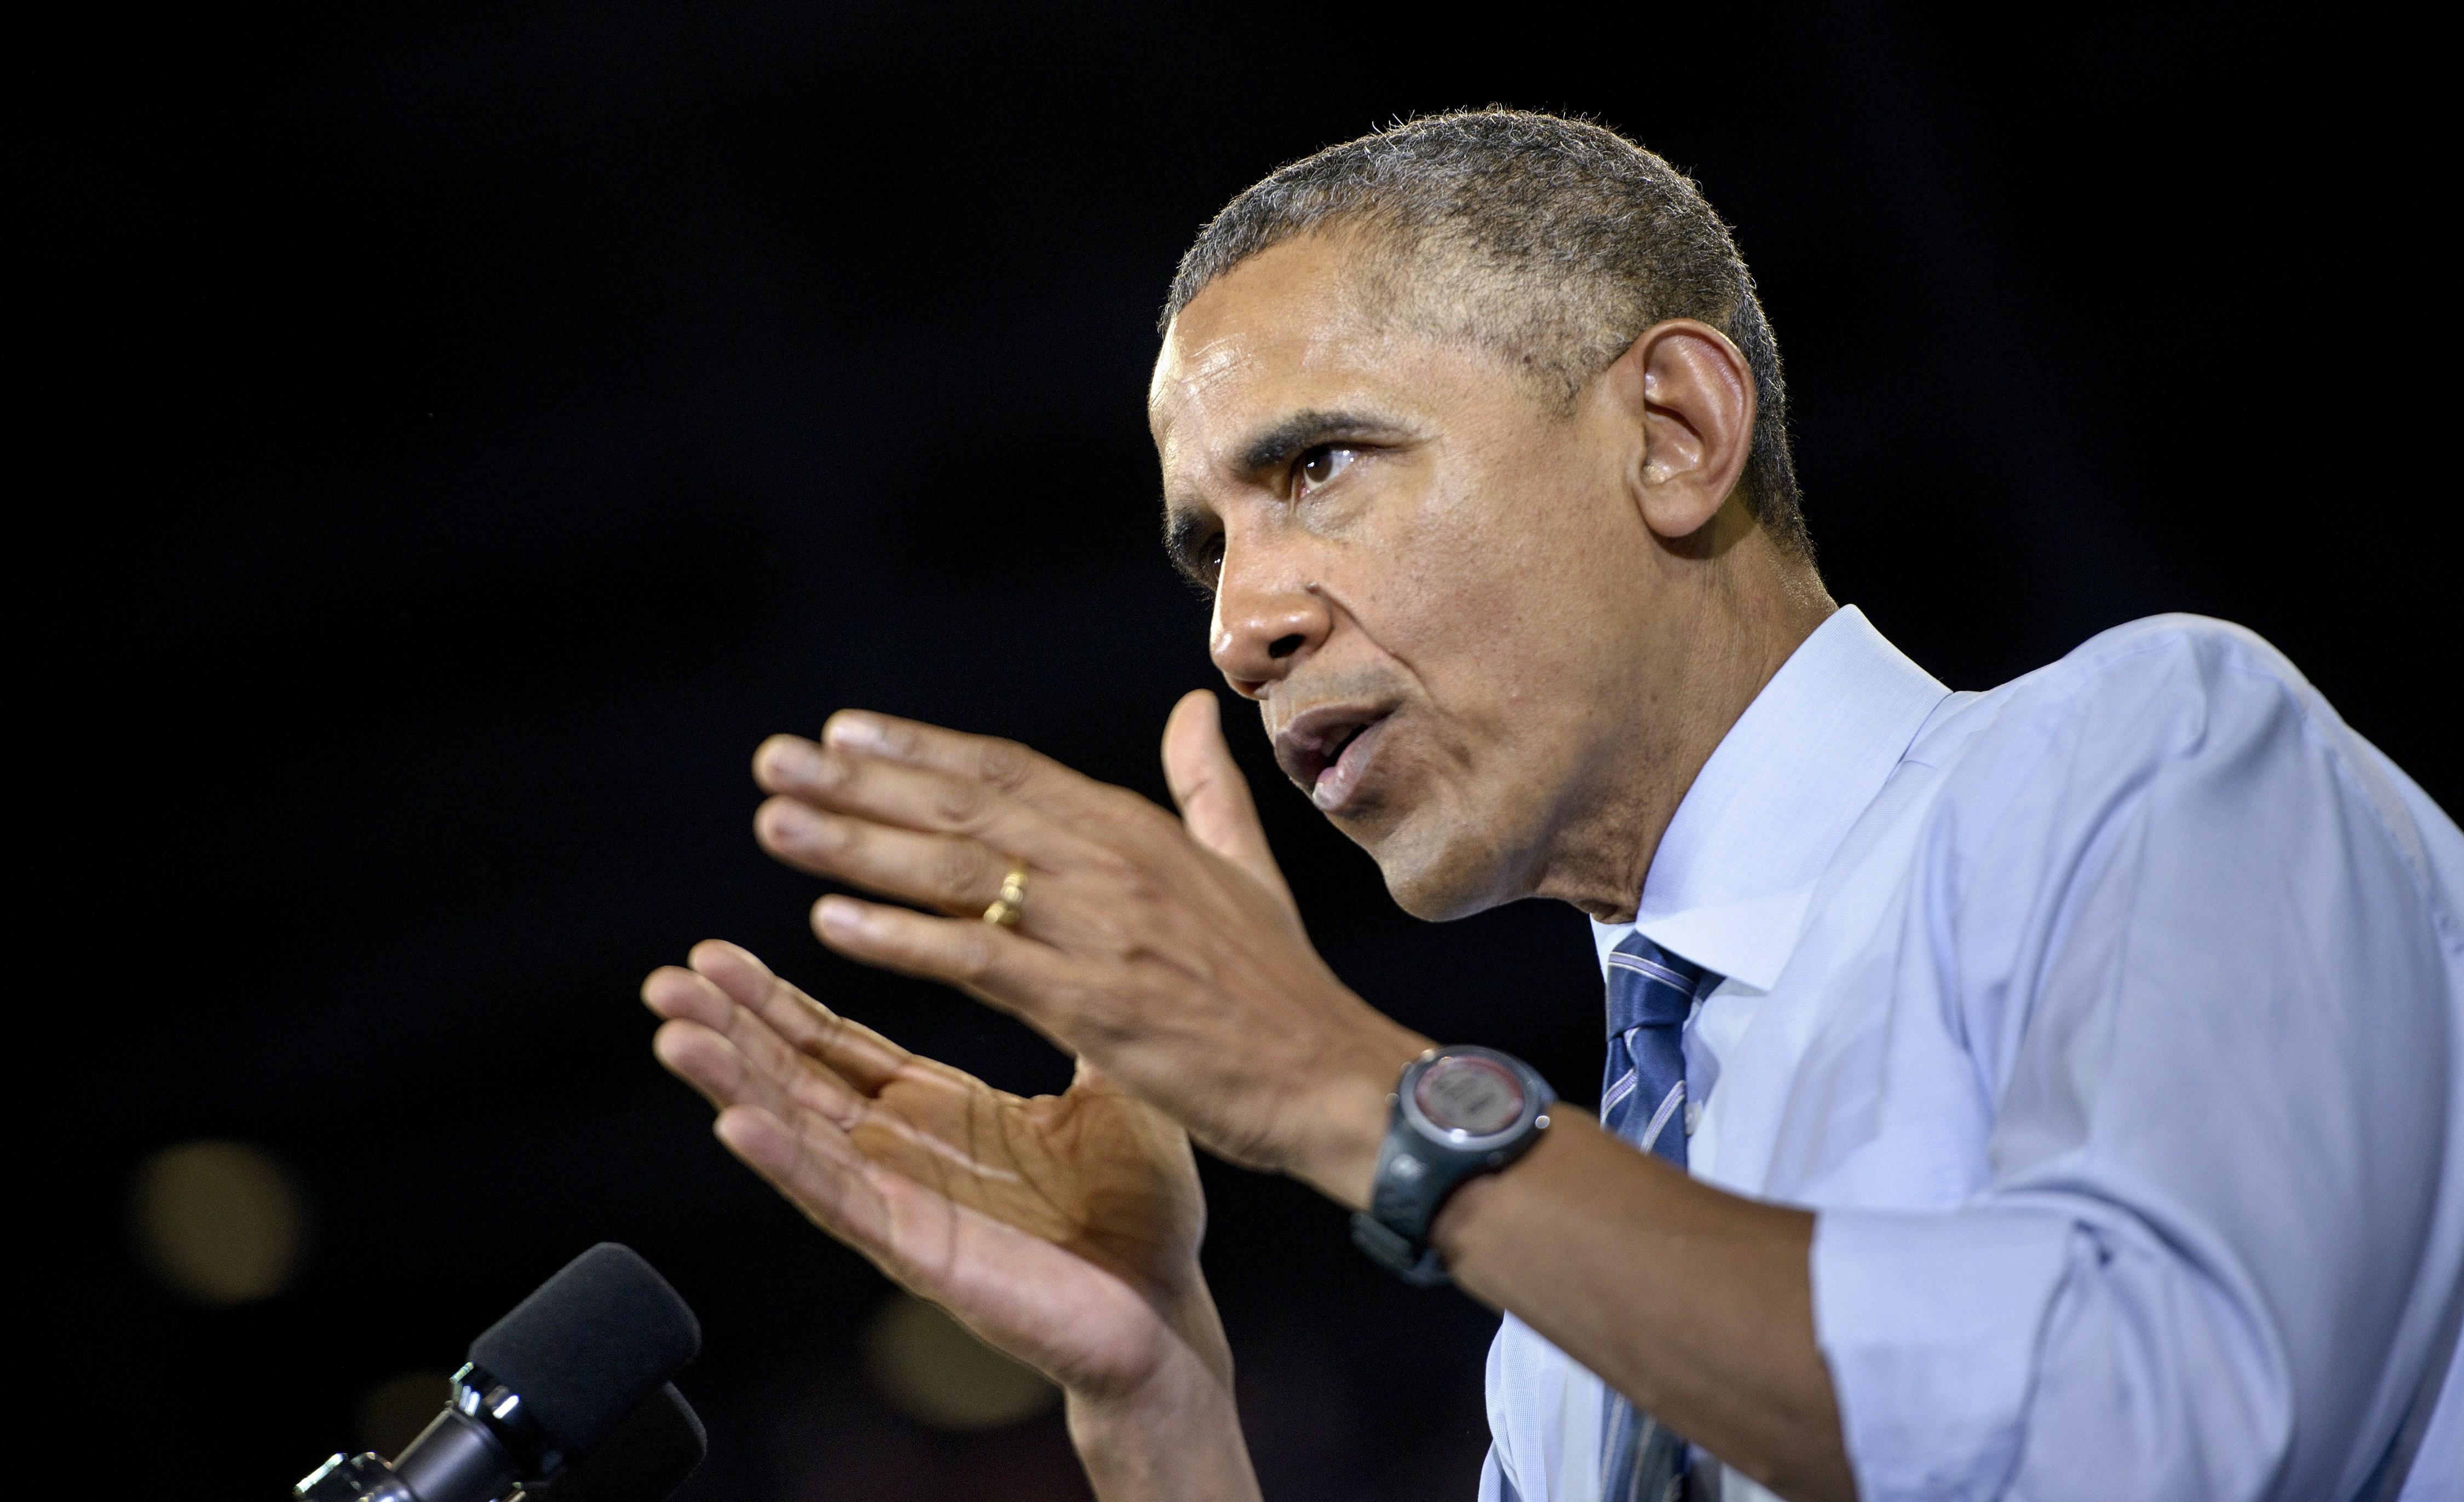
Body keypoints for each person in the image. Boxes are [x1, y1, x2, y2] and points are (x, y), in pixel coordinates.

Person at [638, 110, 2464, 1501]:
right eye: (1209, 546)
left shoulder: (2149, 759)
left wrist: (1333, 1086)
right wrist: (1159, 1397)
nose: (1238, 624)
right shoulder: (1566, 1329)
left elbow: (2150, 1432)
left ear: (1671, 431)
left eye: (1318, 467)